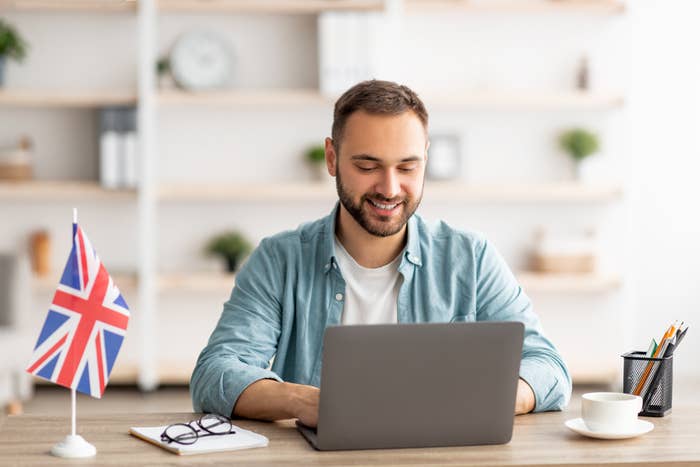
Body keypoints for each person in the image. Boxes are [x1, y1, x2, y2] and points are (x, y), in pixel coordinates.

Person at [191, 80, 571, 428]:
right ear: (332, 158)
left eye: (407, 166)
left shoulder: (471, 258)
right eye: (367, 165)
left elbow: (549, 369)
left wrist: (479, 400)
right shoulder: (279, 260)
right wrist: (305, 401)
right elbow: (215, 374)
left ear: (425, 158)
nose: (389, 188)